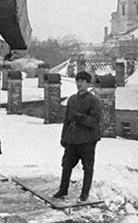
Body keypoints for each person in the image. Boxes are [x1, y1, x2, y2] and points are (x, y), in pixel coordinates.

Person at [52, 71, 103, 203]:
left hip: (88, 140)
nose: (79, 84)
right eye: (77, 81)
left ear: (88, 83)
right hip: (72, 139)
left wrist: (80, 118)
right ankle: (63, 190)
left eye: (82, 81)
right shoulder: (72, 99)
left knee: (87, 167)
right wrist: (63, 136)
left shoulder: (94, 101)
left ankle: (84, 194)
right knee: (66, 165)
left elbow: (95, 122)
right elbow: (66, 120)